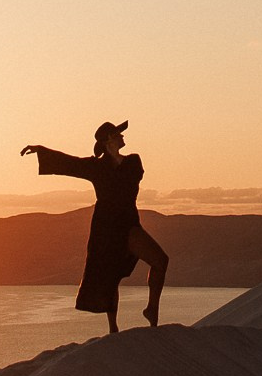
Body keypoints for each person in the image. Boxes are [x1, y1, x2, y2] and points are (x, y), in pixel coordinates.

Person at [19, 119, 168, 333]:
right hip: (106, 228)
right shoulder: (96, 167)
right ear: (108, 140)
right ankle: (113, 328)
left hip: (128, 224)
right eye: (118, 134)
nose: (122, 136)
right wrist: (41, 150)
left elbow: (133, 177)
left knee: (160, 260)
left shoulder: (133, 161)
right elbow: (69, 163)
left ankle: (152, 309)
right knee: (110, 275)